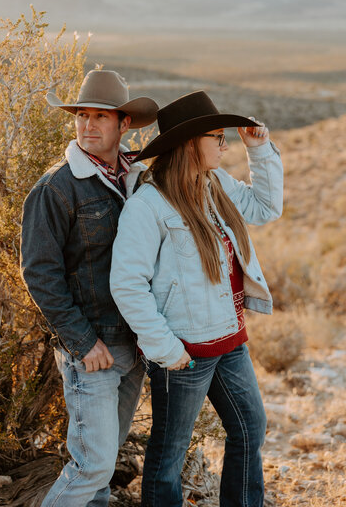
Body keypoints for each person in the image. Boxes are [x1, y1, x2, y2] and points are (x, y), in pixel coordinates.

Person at [110, 90, 283, 507]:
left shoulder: (215, 184)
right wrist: (166, 348)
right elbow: (127, 284)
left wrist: (257, 148)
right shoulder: (148, 205)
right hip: (184, 352)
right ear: (190, 144)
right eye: (218, 138)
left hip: (229, 338)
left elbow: (266, 208)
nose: (225, 145)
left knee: (249, 429)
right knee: (169, 454)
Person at [20, 69, 158, 507]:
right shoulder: (55, 189)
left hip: (134, 346)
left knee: (105, 460)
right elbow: (39, 272)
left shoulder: (137, 178)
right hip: (93, 350)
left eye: (101, 116)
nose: (89, 125)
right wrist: (82, 342)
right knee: (92, 465)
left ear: (125, 124)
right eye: (82, 115)